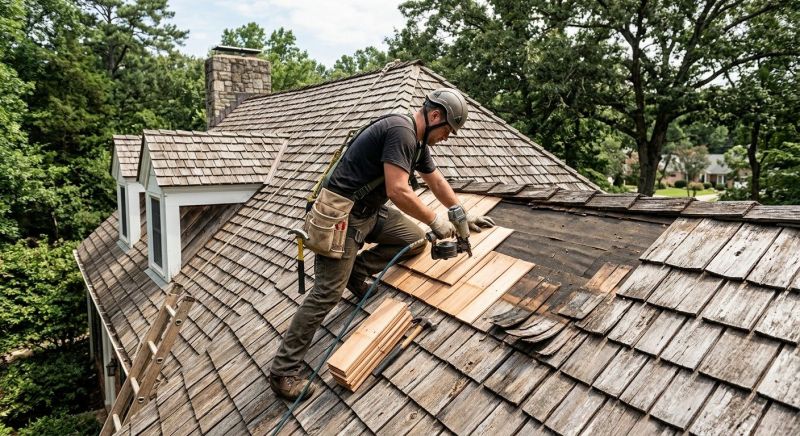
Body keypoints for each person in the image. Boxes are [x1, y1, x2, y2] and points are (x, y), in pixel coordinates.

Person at [269, 88, 495, 400]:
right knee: (326, 294)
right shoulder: (400, 132)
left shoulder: (416, 142)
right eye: (447, 130)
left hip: (370, 213)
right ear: (434, 117)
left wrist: (460, 215)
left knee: (413, 239)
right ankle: (283, 371)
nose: (447, 137)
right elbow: (399, 191)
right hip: (342, 217)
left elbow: (437, 181)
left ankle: (355, 271)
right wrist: (435, 220)